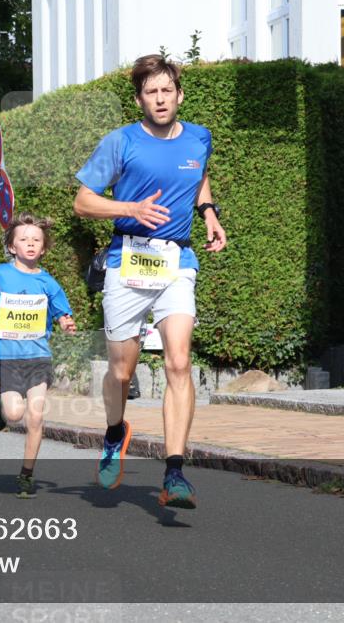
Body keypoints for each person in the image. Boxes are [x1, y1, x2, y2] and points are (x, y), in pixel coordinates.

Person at [73, 54, 227, 508]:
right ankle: (115, 430)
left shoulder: (200, 138)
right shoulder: (121, 142)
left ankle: (175, 471)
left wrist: (209, 213)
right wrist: (132, 209)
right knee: (121, 371)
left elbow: (199, 176)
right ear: (139, 98)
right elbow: (83, 202)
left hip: (177, 262)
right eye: (150, 93)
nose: (159, 100)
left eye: (166, 91)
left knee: (179, 362)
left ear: (178, 94)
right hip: (128, 260)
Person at [0, 213, 76, 499]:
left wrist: (66, 322)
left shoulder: (49, 283)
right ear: (12, 247)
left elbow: (63, 313)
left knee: (35, 416)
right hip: (8, 358)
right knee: (14, 414)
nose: (30, 244)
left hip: (39, 357)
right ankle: (1, 404)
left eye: (36, 240)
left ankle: (26, 475)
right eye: (23, 239)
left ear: (43, 248)